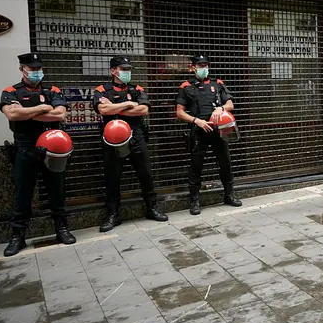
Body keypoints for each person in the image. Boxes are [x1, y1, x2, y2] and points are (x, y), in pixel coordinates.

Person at [0, 53, 76, 256]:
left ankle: (62, 228)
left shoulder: (53, 90)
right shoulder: (10, 92)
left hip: (53, 148)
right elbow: (12, 114)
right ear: (22, 69)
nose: (36, 72)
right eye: (32, 69)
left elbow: (59, 114)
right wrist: (42, 108)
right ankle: (18, 236)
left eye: (38, 69)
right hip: (25, 149)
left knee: (57, 191)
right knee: (22, 194)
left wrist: (27, 111)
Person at [94, 56, 168, 232]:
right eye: (122, 69)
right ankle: (113, 214)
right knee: (112, 177)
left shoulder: (137, 88)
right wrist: (128, 103)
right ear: (113, 71)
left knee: (146, 174)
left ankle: (152, 208)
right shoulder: (101, 90)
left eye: (128, 69)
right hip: (112, 138)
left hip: (136, 136)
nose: (126, 72)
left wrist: (116, 107)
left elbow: (143, 110)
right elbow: (103, 109)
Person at [176, 55, 241, 215]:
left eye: (205, 65)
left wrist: (221, 108)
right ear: (193, 67)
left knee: (225, 162)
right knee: (196, 166)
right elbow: (179, 113)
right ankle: (195, 200)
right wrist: (196, 121)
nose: (203, 68)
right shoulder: (186, 86)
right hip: (199, 131)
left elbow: (230, 104)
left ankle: (229, 195)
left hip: (219, 130)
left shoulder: (217, 84)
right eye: (200, 65)